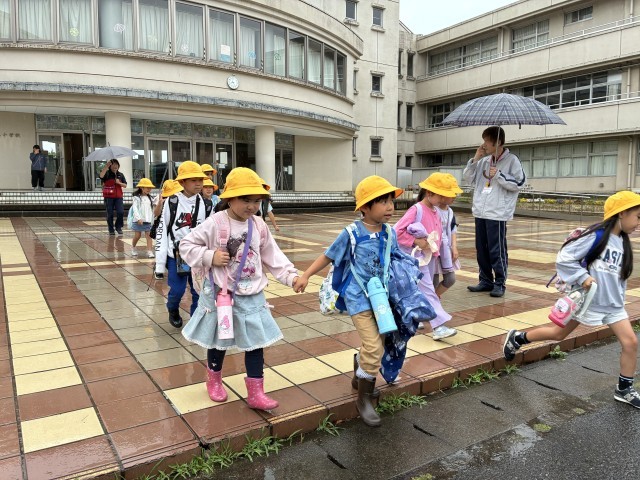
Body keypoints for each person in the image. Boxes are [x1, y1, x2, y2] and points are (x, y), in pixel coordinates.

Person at [504, 191, 640, 409]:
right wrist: (583, 277)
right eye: (638, 217)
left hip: (612, 305)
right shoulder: (596, 236)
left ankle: (624, 389)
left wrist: (619, 298)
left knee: (631, 342)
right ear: (622, 213)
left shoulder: (623, 242)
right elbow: (565, 257)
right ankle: (518, 338)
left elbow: (617, 276)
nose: (638, 223)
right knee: (557, 334)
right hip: (587, 302)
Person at [179, 167, 300, 411]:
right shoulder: (216, 222)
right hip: (220, 293)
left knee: (255, 342)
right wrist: (210, 256)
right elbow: (186, 244)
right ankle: (214, 380)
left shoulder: (259, 225)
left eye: (257, 201)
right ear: (230, 198)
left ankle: (256, 392)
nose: (252, 206)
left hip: (252, 293)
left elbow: (272, 255)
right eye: (246, 199)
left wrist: (291, 276)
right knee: (219, 339)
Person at [294, 175, 403, 427]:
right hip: (358, 298)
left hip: (382, 298)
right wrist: (306, 275)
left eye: (391, 201)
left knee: (379, 341)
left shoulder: (390, 232)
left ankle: (360, 370)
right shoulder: (351, 233)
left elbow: (396, 259)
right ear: (365, 207)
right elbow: (328, 256)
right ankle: (364, 399)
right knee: (374, 347)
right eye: (383, 202)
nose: (390, 207)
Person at [463, 126, 526, 298]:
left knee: (496, 250)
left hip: (497, 213)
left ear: (498, 142)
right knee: (481, 249)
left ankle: (499, 282)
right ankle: (485, 280)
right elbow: (468, 178)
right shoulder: (484, 161)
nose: (483, 144)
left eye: (486, 141)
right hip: (480, 211)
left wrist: (499, 174)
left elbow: (519, 183)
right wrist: (475, 159)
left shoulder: (512, 160)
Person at [394, 172, 458, 338]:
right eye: (441, 196)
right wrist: (415, 241)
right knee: (428, 290)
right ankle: (439, 327)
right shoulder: (417, 209)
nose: (443, 199)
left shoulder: (435, 210)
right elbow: (397, 231)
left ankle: (417, 318)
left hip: (429, 257)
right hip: (418, 259)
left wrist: (439, 253)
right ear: (429, 193)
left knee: (421, 291)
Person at [155, 161, 208, 328]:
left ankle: (194, 323)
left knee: (198, 291)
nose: (198, 184)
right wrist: (159, 264)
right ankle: (172, 309)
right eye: (193, 180)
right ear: (182, 182)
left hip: (198, 255)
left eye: (200, 180)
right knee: (177, 290)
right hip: (177, 255)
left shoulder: (206, 204)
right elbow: (162, 231)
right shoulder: (172, 202)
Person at [433, 174, 463, 298]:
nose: (454, 196)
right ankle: (432, 302)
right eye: (451, 193)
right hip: (434, 251)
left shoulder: (450, 211)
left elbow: (452, 229)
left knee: (450, 279)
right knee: (433, 281)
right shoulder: (433, 210)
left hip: (446, 250)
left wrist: (454, 247)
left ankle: (433, 298)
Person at [99, 159, 127, 235]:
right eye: (113, 164)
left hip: (118, 197)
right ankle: (111, 229)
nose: (115, 166)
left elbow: (125, 185)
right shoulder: (107, 173)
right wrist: (106, 167)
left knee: (120, 212)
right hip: (109, 197)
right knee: (110, 213)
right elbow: (101, 176)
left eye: (116, 164)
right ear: (110, 166)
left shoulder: (120, 175)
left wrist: (119, 183)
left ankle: (118, 227)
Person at [130, 178, 156, 258]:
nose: (149, 189)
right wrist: (138, 218)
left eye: (150, 188)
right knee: (137, 236)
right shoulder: (136, 198)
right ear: (141, 187)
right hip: (138, 220)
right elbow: (135, 208)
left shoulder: (151, 198)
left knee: (149, 236)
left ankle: (149, 251)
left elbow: (154, 207)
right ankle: (133, 247)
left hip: (148, 220)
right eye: (147, 187)